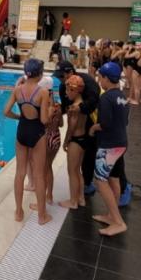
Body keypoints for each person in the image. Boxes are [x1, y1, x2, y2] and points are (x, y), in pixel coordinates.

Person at [2, 59, 52, 225]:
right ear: (39, 73)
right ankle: (42, 216)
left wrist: (18, 117)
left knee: (20, 172)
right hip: (37, 132)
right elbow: (44, 120)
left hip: (22, 131)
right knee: (38, 175)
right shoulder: (43, 92)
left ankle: (18, 211)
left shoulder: (18, 90)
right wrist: (51, 111)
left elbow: (6, 111)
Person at [89, 62, 128, 236]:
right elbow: (124, 121)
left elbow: (104, 124)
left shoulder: (105, 98)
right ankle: (111, 216)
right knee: (114, 179)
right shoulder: (122, 96)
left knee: (100, 181)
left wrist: (93, 128)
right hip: (121, 143)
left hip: (109, 146)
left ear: (106, 78)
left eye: (100, 77)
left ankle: (118, 222)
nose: (98, 80)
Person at [54, 60, 101, 198]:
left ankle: (81, 191)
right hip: (80, 130)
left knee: (76, 168)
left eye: (61, 77)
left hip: (86, 128)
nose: (60, 81)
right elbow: (65, 107)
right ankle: (81, 195)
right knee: (77, 168)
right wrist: (58, 110)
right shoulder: (65, 87)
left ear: (70, 72)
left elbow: (93, 102)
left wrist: (66, 141)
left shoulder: (89, 83)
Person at [59, 74, 91, 210]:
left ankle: (73, 201)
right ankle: (81, 198)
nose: (66, 94)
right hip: (83, 139)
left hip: (75, 141)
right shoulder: (83, 104)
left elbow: (71, 127)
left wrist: (66, 141)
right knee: (78, 171)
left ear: (74, 90)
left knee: (72, 171)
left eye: (67, 90)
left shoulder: (74, 108)